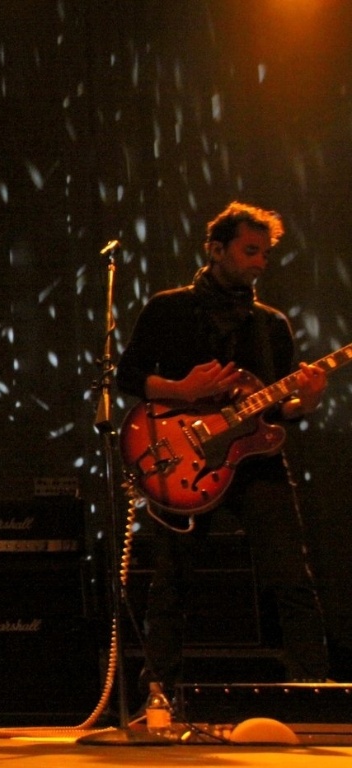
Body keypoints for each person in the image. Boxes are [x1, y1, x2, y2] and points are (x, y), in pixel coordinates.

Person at [116, 201, 330, 701]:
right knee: (171, 583)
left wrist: (305, 402)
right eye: (250, 251)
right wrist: (181, 390)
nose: (260, 262)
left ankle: (315, 695)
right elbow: (127, 376)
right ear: (216, 250)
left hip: (254, 465)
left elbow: (276, 413)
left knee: (292, 579)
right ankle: (158, 699)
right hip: (183, 463)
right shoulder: (168, 308)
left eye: (265, 254)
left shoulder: (271, 324)